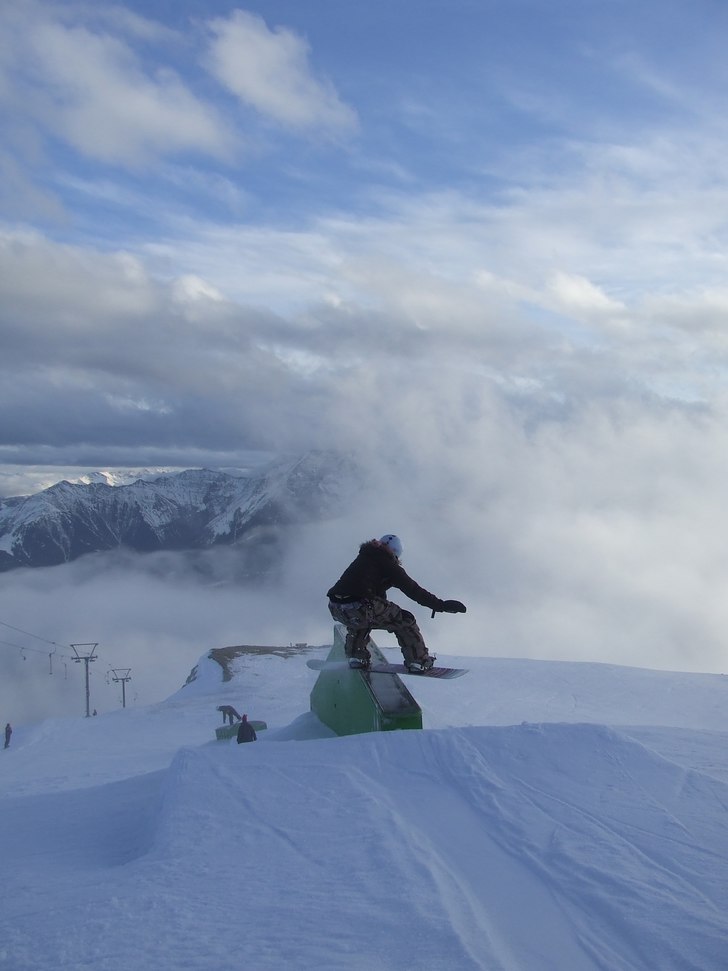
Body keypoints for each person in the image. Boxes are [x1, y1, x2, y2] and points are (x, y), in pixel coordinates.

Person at [327, 534, 466, 671]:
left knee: (362, 617)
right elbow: (412, 588)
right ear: (396, 553)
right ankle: (418, 661)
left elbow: (371, 591)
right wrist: (440, 605)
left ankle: (356, 656)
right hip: (361, 605)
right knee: (405, 619)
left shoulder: (365, 557)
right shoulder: (387, 562)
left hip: (336, 607)